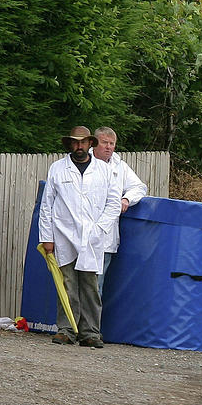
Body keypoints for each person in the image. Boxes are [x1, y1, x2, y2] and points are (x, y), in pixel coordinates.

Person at [39, 126, 121, 348]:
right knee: (66, 285)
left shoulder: (104, 171)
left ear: (90, 144)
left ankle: (90, 332)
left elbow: (113, 204)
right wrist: (47, 238)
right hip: (64, 235)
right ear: (70, 145)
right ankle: (66, 330)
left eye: (83, 142)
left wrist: (99, 229)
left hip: (93, 238)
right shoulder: (58, 169)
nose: (79, 146)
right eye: (75, 143)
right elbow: (47, 206)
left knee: (90, 286)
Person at [91, 127, 148, 296]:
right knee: (75, 287)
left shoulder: (120, 166)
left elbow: (139, 187)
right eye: (104, 143)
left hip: (106, 237)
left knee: (96, 288)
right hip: (81, 235)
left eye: (112, 144)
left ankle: (92, 323)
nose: (108, 147)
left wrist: (127, 199)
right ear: (94, 143)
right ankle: (72, 323)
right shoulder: (83, 163)